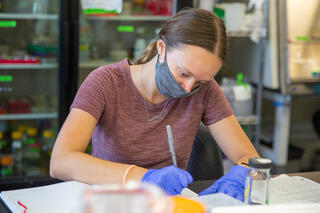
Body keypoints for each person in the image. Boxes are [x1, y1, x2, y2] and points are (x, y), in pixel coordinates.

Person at [50, 8, 259, 201]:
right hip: (110, 202)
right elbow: (60, 161)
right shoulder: (106, 82)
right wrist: (144, 178)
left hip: (167, 204)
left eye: (200, 81)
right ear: (161, 48)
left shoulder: (205, 91)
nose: (188, 88)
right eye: (183, 73)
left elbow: (249, 158)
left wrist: (240, 174)